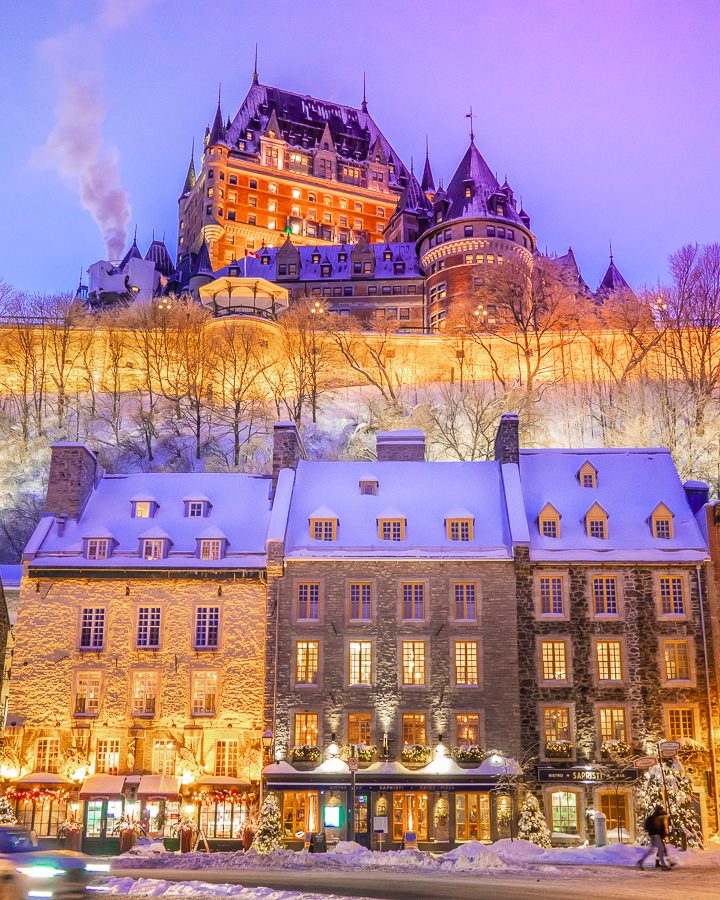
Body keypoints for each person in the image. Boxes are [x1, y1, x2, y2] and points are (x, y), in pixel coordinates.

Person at [636, 804, 674, 870]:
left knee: (651, 850)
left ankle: (641, 861)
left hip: (653, 835)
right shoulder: (656, 817)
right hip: (656, 835)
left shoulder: (653, 817)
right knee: (661, 848)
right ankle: (663, 865)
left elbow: (647, 826)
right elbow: (658, 827)